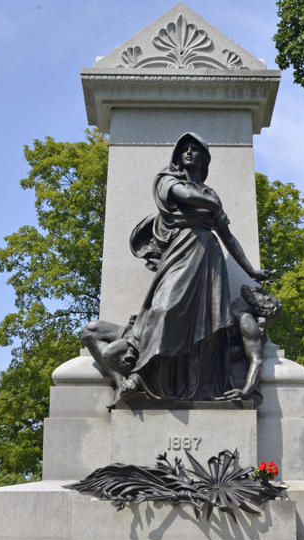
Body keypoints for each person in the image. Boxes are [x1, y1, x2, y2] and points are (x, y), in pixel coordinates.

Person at [83, 132, 270, 407]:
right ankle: (140, 374)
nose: (189, 152)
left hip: (209, 256)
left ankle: (193, 381)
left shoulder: (209, 192)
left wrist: (251, 270)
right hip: (181, 251)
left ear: (204, 158)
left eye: (195, 149)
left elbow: (228, 237)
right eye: (185, 149)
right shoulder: (168, 180)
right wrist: (214, 207)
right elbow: (182, 194)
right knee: (163, 309)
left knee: (207, 324)